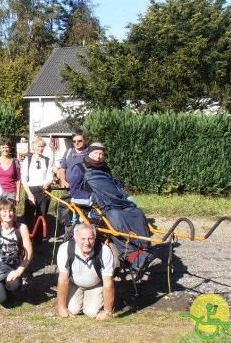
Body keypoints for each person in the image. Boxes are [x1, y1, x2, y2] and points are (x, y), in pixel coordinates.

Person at [72, 142, 155, 270]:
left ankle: (144, 249)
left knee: (137, 213)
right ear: (89, 153)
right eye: (96, 153)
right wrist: (91, 198)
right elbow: (74, 191)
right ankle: (130, 254)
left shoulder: (106, 169)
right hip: (99, 206)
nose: (99, 156)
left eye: (101, 154)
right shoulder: (80, 167)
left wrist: (124, 196)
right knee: (116, 217)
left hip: (118, 200)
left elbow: (116, 185)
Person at [57, 223, 115, 320]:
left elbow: (108, 283)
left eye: (90, 238)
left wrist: (107, 311)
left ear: (95, 238)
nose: (87, 243)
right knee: (73, 309)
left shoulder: (104, 251)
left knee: (91, 312)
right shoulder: (65, 249)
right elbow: (63, 280)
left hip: (95, 285)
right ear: (75, 239)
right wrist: (61, 308)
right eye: (83, 239)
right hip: (74, 284)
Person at [21, 137, 54, 236]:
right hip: (31, 190)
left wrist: (48, 182)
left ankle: (38, 240)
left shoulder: (47, 160)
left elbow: (50, 175)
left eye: (42, 146)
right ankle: (27, 237)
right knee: (28, 217)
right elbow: (24, 178)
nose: (41, 148)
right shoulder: (28, 160)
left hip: (43, 191)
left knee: (41, 216)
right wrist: (30, 194)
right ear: (34, 147)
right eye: (39, 146)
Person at [0, 137, 21, 202]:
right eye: (3, 147)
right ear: (0, 149)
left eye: (7, 147)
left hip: (11, 194)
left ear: (10, 148)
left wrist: (17, 195)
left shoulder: (15, 161)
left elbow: (18, 179)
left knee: (9, 212)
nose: (5, 149)